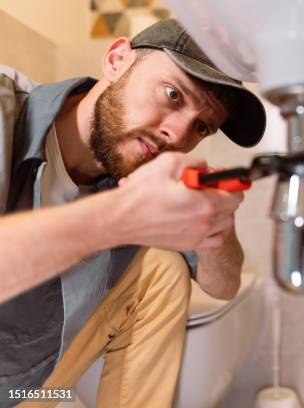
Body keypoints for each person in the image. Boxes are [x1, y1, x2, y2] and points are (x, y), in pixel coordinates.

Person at [0, 18, 266, 408]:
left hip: (31, 390)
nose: (178, 135)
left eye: (202, 127)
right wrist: (120, 216)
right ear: (117, 59)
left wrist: (216, 229)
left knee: (161, 268)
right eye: (173, 95)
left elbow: (224, 285)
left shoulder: (139, 171)